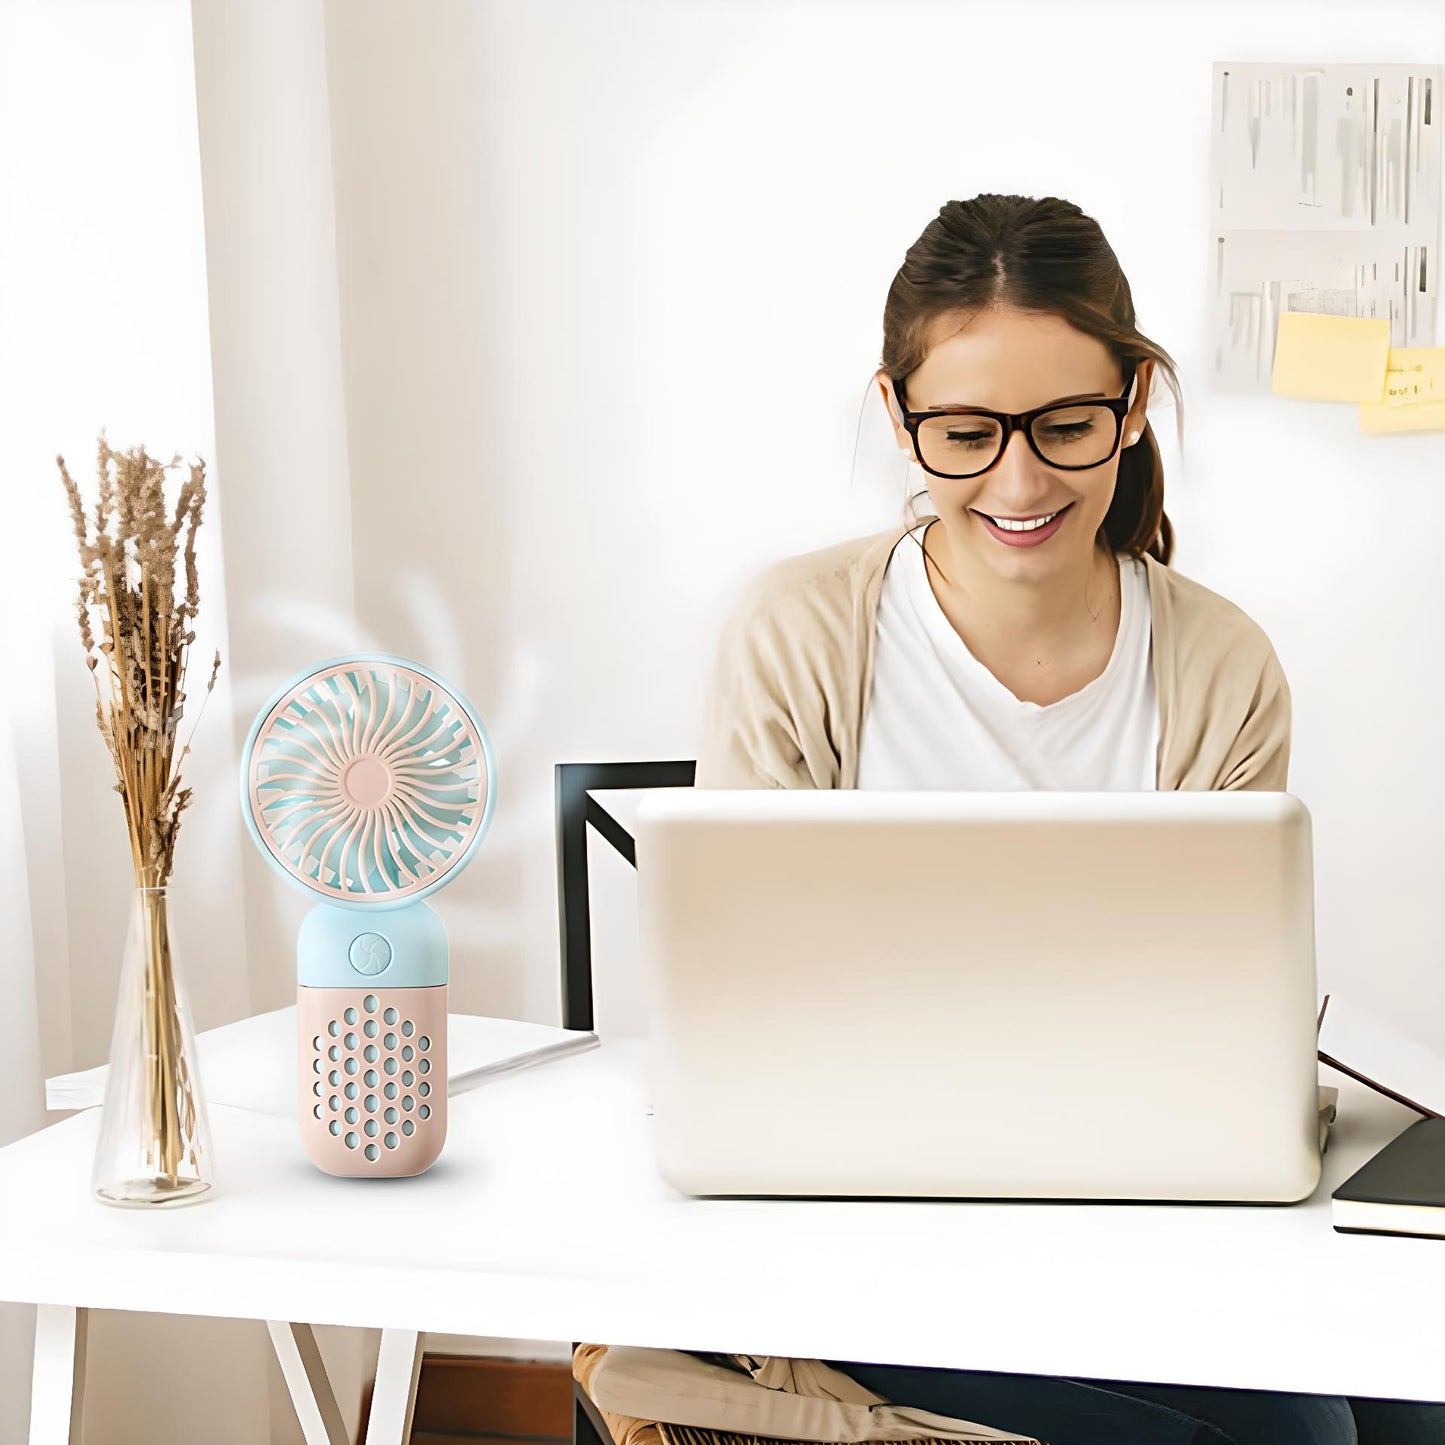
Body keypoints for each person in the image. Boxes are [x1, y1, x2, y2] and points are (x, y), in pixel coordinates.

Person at [689, 193, 1445, 1445]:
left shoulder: (1216, 661)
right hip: (861, 1231)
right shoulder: (799, 634)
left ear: (1132, 402)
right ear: (897, 416)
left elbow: (1219, 1022)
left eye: (1065, 424)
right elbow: (747, 1010)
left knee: (1420, 1394)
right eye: (966, 432)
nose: (1019, 479)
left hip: (1147, 1218)